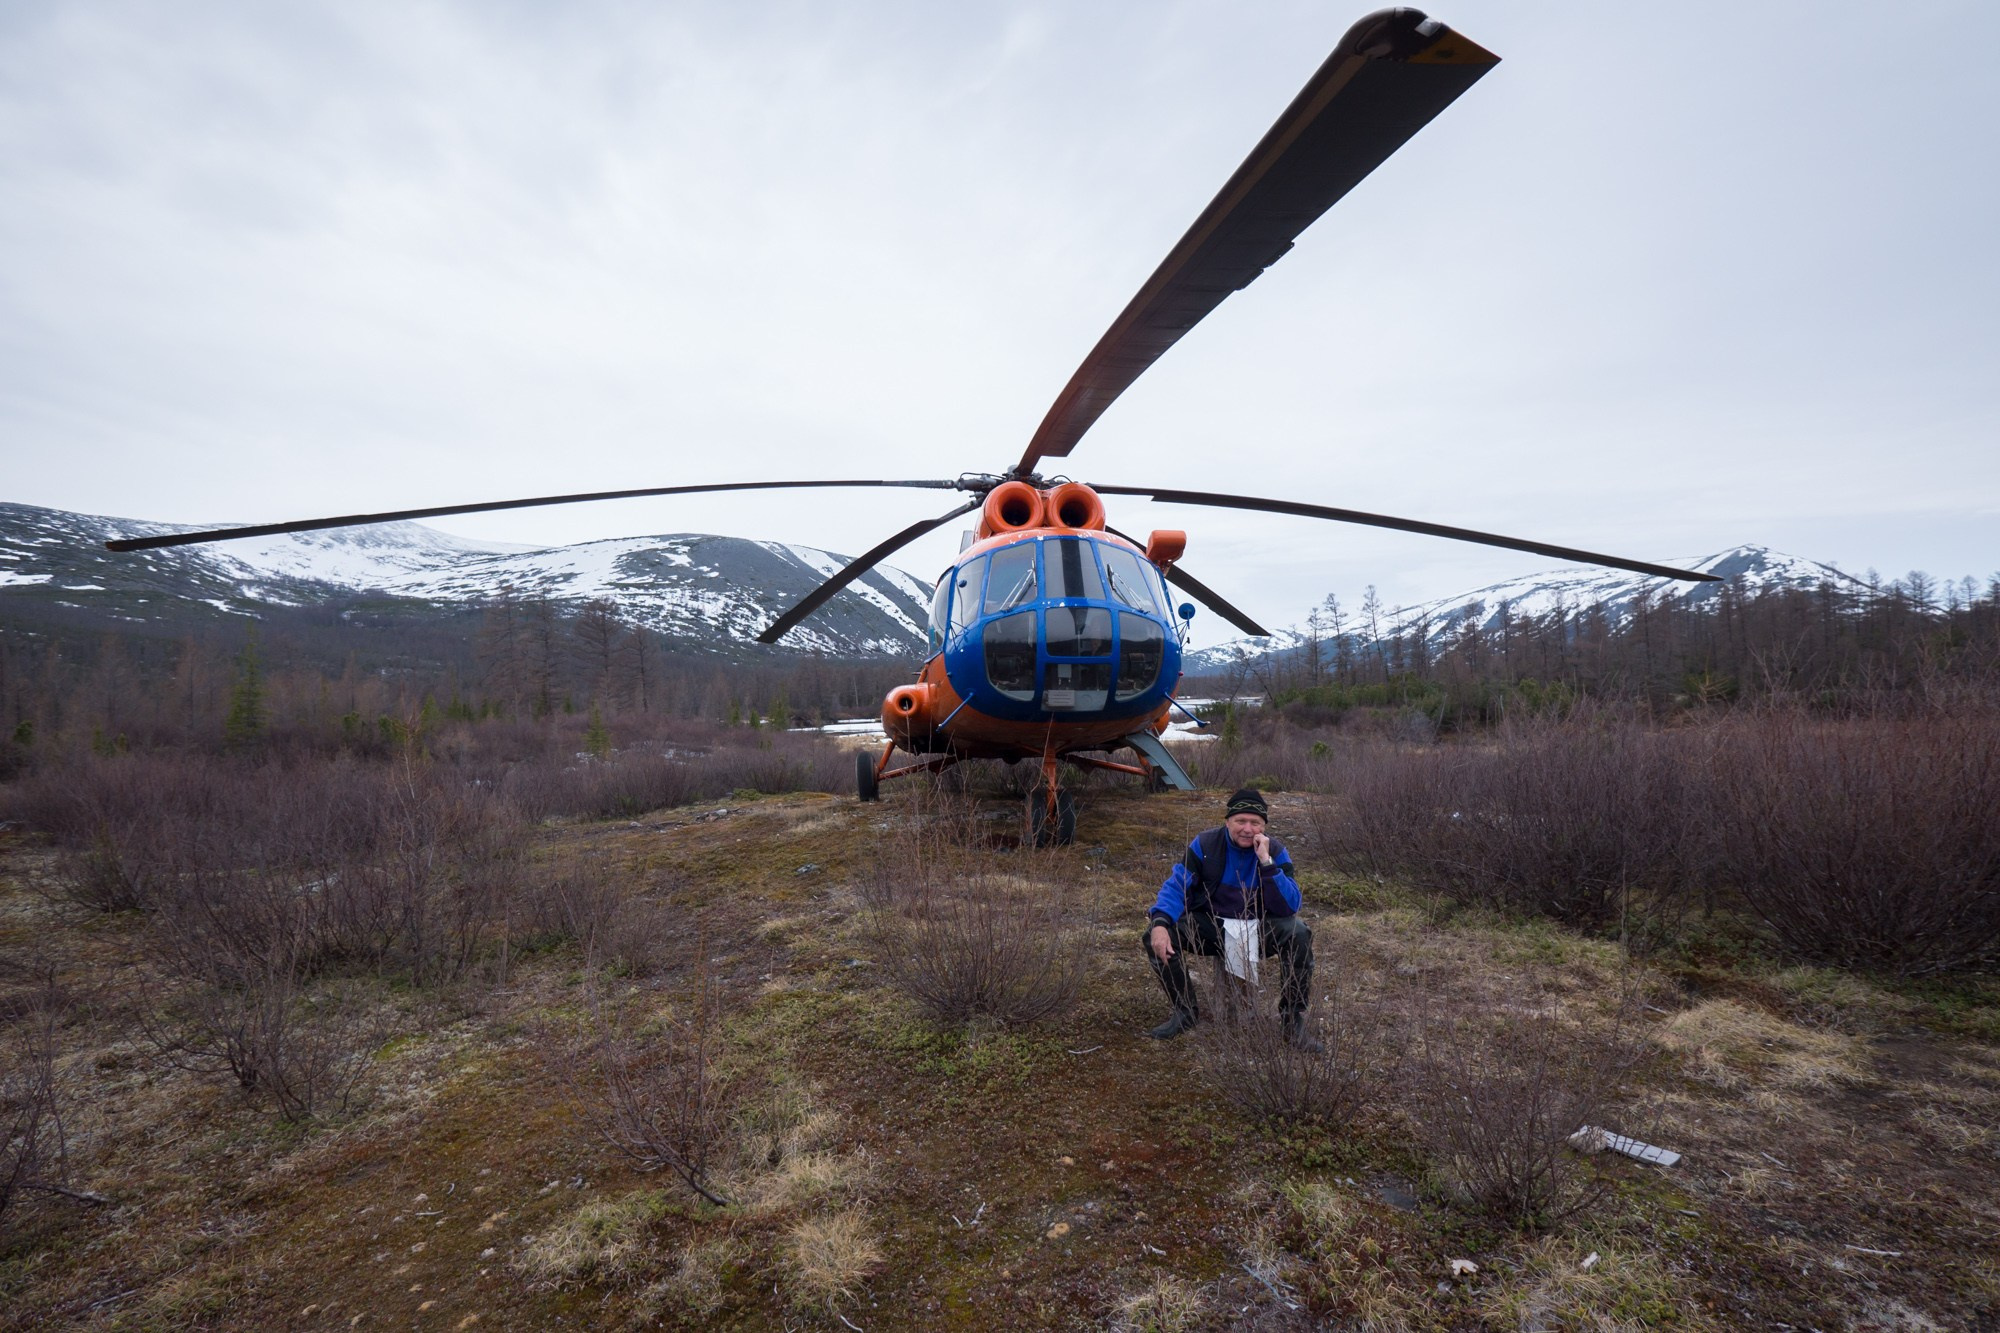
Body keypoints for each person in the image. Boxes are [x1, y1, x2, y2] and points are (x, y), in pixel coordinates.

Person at [1142, 787, 1320, 1050]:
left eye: (1255, 823)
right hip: (1212, 927)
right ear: (1228, 822)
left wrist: (1267, 863)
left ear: (1264, 826)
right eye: (1240, 821)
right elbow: (1177, 885)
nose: (1247, 829)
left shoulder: (1276, 851)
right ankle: (1185, 1011)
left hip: (1257, 929)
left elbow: (1289, 905)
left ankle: (1291, 1019)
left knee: (1299, 933)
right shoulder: (1205, 845)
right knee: (1155, 934)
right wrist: (1160, 922)